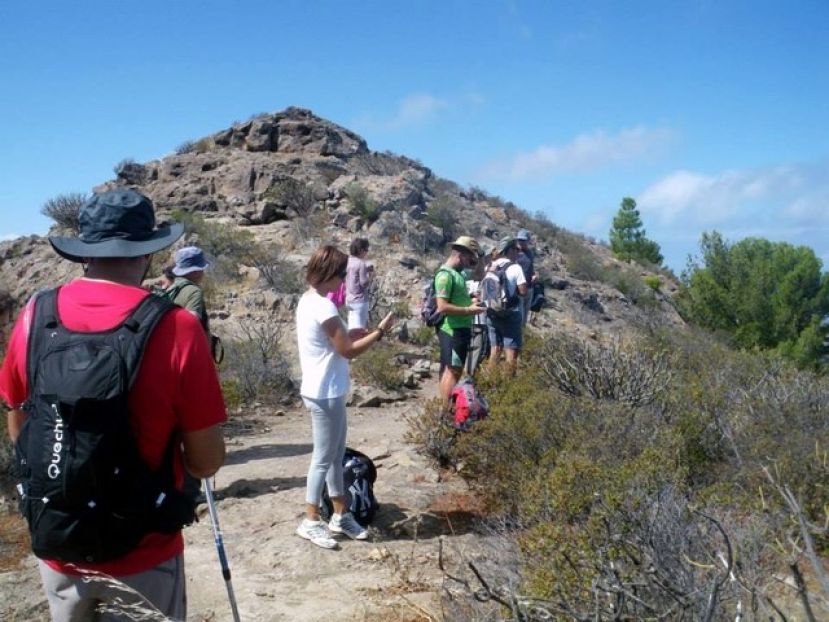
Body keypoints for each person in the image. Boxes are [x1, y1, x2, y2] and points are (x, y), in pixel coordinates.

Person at [0, 188, 226, 622]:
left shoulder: (35, 314)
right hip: (144, 551)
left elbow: (20, 429)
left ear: (85, 253)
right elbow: (205, 461)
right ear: (147, 254)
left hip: (60, 542)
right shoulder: (177, 327)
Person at [295, 245, 395, 549]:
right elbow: (347, 351)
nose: (344, 280)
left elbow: (335, 341)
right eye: (342, 274)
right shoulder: (324, 307)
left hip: (325, 389)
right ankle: (311, 519)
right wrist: (379, 332)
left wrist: (353, 333)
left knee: (336, 457)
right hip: (324, 392)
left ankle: (339, 513)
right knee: (324, 458)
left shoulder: (309, 300)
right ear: (330, 274)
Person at [434, 236, 483, 403]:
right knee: (452, 370)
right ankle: (445, 412)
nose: (471, 261)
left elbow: (456, 297)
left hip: (460, 329)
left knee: (455, 369)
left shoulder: (457, 274)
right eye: (470, 257)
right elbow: (442, 306)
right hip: (452, 329)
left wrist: (470, 300)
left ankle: (447, 411)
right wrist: (469, 309)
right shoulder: (445, 275)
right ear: (461, 255)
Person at [484, 237, 527, 374]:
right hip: (511, 313)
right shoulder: (516, 268)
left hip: (491, 311)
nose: (519, 252)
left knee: (494, 349)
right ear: (509, 250)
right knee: (511, 351)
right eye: (516, 249)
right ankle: (508, 387)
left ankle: (489, 382)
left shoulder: (490, 266)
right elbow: (523, 292)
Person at [166, 246, 211, 335]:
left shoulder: (168, 286)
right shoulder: (194, 291)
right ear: (196, 272)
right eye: (202, 269)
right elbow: (191, 324)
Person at [465, 244, 491, 377]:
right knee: (474, 351)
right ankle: (467, 380)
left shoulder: (464, 274)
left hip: (470, 319)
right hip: (474, 320)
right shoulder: (469, 275)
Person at [345, 237, 373, 331]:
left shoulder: (348, 261)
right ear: (361, 250)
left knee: (351, 327)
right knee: (360, 329)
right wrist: (370, 275)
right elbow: (364, 283)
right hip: (359, 300)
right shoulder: (361, 263)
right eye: (366, 250)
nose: (367, 252)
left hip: (349, 299)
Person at [515, 229, 538, 326]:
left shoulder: (530, 253)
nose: (521, 242)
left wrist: (535, 275)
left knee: (524, 320)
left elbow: (531, 268)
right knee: (518, 317)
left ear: (528, 241)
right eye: (519, 240)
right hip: (518, 289)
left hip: (530, 288)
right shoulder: (514, 252)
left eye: (523, 240)